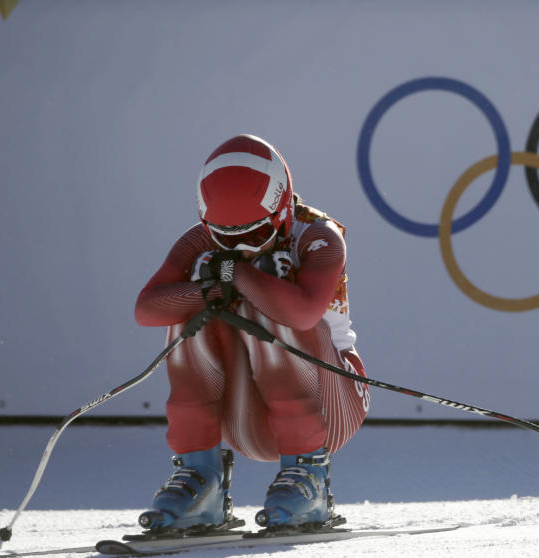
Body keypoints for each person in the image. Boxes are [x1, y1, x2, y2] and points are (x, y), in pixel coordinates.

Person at [134, 134, 370, 532]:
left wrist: (235, 274)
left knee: (270, 284)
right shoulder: (202, 239)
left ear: (281, 211)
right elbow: (147, 309)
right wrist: (209, 289)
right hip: (246, 413)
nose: (241, 246)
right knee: (192, 299)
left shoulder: (318, 236)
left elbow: (303, 311)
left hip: (330, 407)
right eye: (227, 238)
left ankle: (308, 475)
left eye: (255, 235)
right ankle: (201, 478)